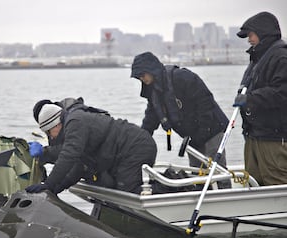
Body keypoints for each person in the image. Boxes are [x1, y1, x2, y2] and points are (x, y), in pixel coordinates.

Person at [131, 51, 231, 188]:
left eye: (142, 75)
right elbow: (151, 118)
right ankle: (203, 200)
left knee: (218, 169)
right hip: (192, 135)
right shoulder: (153, 92)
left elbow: (205, 101)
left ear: (151, 70)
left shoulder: (181, 77)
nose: (142, 79)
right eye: (139, 77)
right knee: (197, 172)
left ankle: (225, 197)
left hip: (212, 128)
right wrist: (141, 137)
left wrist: (204, 129)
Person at [25, 101, 157, 195]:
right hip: (125, 151)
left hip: (136, 147)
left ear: (55, 125)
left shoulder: (75, 122)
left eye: (48, 133)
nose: (50, 137)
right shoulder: (72, 127)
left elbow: (68, 156)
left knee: (128, 191)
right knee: (117, 188)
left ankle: (170, 190)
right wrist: (53, 189)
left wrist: (48, 183)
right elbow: (78, 168)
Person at [232, 11, 287, 185]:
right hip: (254, 135)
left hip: (273, 137)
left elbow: (282, 93)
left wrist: (250, 99)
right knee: (252, 182)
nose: (249, 39)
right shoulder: (258, 57)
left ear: (263, 33)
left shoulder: (281, 56)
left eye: (251, 34)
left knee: (275, 181)